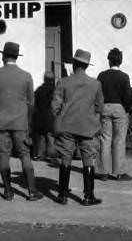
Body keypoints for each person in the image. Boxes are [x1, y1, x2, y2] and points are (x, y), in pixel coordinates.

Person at [0, 42, 43, 201]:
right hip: (20, 122)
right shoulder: (26, 76)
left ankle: (7, 191)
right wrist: (28, 122)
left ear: (3, 56)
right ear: (16, 57)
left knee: (4, 156)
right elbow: (31, 103)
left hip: (1, 122)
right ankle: (32, 191)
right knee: (25, 155)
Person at [51, 49, 104, 206]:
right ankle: (88, 196)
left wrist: (59, 117)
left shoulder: (63, 82)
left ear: (74, 64)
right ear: (87, 66)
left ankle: (62, 195)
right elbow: (100, 107)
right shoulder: (95, 84)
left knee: (65, 158)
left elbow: (55, 106)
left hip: (67, 126)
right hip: (88, 126)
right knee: (88, 161)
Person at [96, 48, 132, 181]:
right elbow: (127, 96)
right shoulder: (124, 77)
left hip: (105, 107)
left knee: (105, 139)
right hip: (119, 108)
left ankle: (103, 172)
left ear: (109, 60)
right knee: (119, 140)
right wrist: (127, 109)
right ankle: (119, 172)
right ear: (120, 61)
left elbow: (98, 93)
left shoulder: (101, 75)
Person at [31, 71, 57, 161]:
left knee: (41, 137)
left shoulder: (38, 90)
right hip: (50, 117)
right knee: (50, 137)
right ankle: (51, 155)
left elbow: (34, 104)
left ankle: (39, 154)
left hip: (39, 117)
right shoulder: (55, 91)